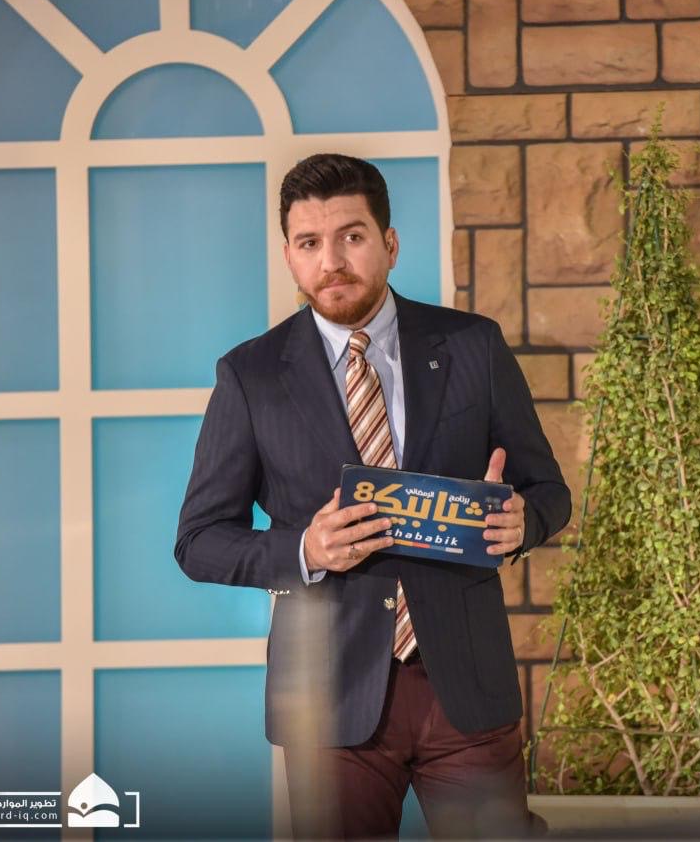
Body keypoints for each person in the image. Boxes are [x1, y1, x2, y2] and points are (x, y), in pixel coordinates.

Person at [174, 153, 571, 838]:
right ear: (289, 257)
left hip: (466, 688)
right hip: (328, 700)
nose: (331, 261)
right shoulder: (251, 376)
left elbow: (548, 490)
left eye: (351, 236)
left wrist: (523, 522)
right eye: (308, 243)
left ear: (389, 243)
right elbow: (199, 541)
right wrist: (305, 549)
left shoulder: (472, 346)